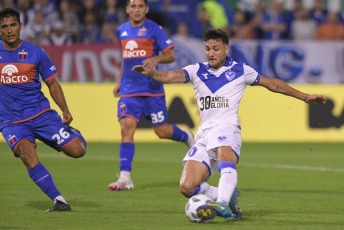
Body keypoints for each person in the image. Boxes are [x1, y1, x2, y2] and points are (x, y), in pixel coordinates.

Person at [132, 28, 327, 220]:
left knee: (224, 155)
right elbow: (167, 76)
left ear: (226, 49)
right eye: (208, 48)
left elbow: (273, 84)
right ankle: (225, 194)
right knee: (187, 186)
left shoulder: (241, 71)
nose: (211, 53)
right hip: (204, 134)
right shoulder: (196, 70)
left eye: (216, 48)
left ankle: (223, 203)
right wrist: (150, 73)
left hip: (227, 127)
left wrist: (306, 96)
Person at [0, 8, 86, 212]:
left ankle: (75, 135)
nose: (9, 30)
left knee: (77, 151)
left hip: (41, 115)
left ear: (21, 27)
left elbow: (52, 84)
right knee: (25, 153)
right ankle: (59, 200)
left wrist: (65, 109)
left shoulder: (36, 52)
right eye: (4, 26)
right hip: (10, 121)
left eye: (13, 25)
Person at [108, 0, 195, 191]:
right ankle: (125, 178)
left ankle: (187, 137)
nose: (137, 9)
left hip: (152, 90)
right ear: (127, 9)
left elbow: (170, 55)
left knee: (161, 131)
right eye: (133, 6)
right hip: (129, 90)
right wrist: (118, 82)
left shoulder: (154, 28)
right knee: (126, 129)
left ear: (146, 9)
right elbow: (126, 58)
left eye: (140, 6)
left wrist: (157, 58)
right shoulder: (122, 30)